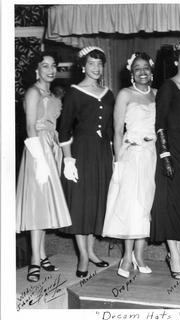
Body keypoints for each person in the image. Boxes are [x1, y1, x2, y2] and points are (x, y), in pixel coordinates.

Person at [58, 46, 114, 278]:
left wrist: (114, 154)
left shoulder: (108, 92)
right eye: (91, 63)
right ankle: (82, 254)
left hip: (102, 152)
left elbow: (111, 128)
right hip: (81, 151)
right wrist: (68, 159)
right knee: (81, 203)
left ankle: (91, 251)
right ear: (83, 66)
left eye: (100, 64)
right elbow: (64, 128)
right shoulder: (74, 92)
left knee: (95, 201)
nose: (96, 68)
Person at [16, 52, 72, 282]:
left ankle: (42, 254)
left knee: (45, 203)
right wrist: (39, 159)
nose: (50, 70)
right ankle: (35, 262)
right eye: (45, 66)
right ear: (36, 69)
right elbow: (30, 127)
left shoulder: (53, 94)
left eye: (53, 66)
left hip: (52, 148)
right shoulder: (33, 92)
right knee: (38, 204)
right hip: (37, 149)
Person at [150, 34, 180, 280]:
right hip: (173, 152)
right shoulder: (167, 87)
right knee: (170, 205)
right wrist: (165, 155)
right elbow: (159, 125)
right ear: (177, 61)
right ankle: (176, 257)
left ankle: (175, 253)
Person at [102, 52, 156, 278]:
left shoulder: (157, 94)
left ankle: (139, 254)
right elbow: (116, 131)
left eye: (145, 67)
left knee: (146, 204)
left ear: (151, 71)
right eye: (137, 68)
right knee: (132, 205)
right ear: (131, 73)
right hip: (131, 154)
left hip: (151, 154)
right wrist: (118, 162)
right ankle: (127, 256)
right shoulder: (125, 94)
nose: (142, 72)